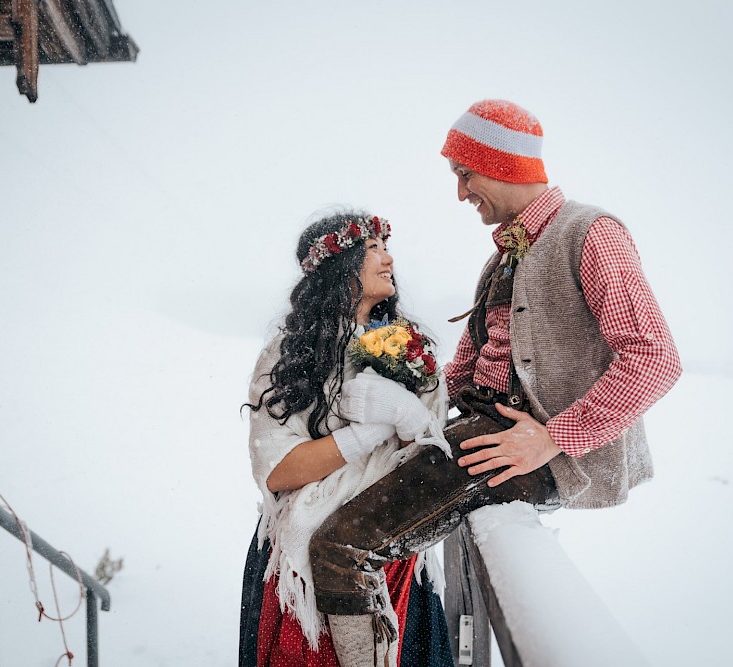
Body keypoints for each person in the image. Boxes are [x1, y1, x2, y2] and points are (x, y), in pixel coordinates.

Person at [308, 99, 683, 666]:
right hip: (483, 432)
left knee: (339, 549)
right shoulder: (504, 256)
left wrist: (554, 436)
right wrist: (388, 399)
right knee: (338, 519)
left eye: (466, 174)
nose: (460, 192)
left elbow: (655, 356)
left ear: (504, 164)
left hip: (521, 449)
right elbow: (465, 370)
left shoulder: (591, 232)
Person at [240, 211, 454, 667]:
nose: (388, 258)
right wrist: (370, 431)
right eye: (374, 248)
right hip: (307, 554)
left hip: (394, 541)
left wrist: (407, 413)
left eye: (385, 247)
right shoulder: (287, 353)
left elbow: (431, 443)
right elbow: (279, 469)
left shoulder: (408, 348)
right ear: (341, 264)